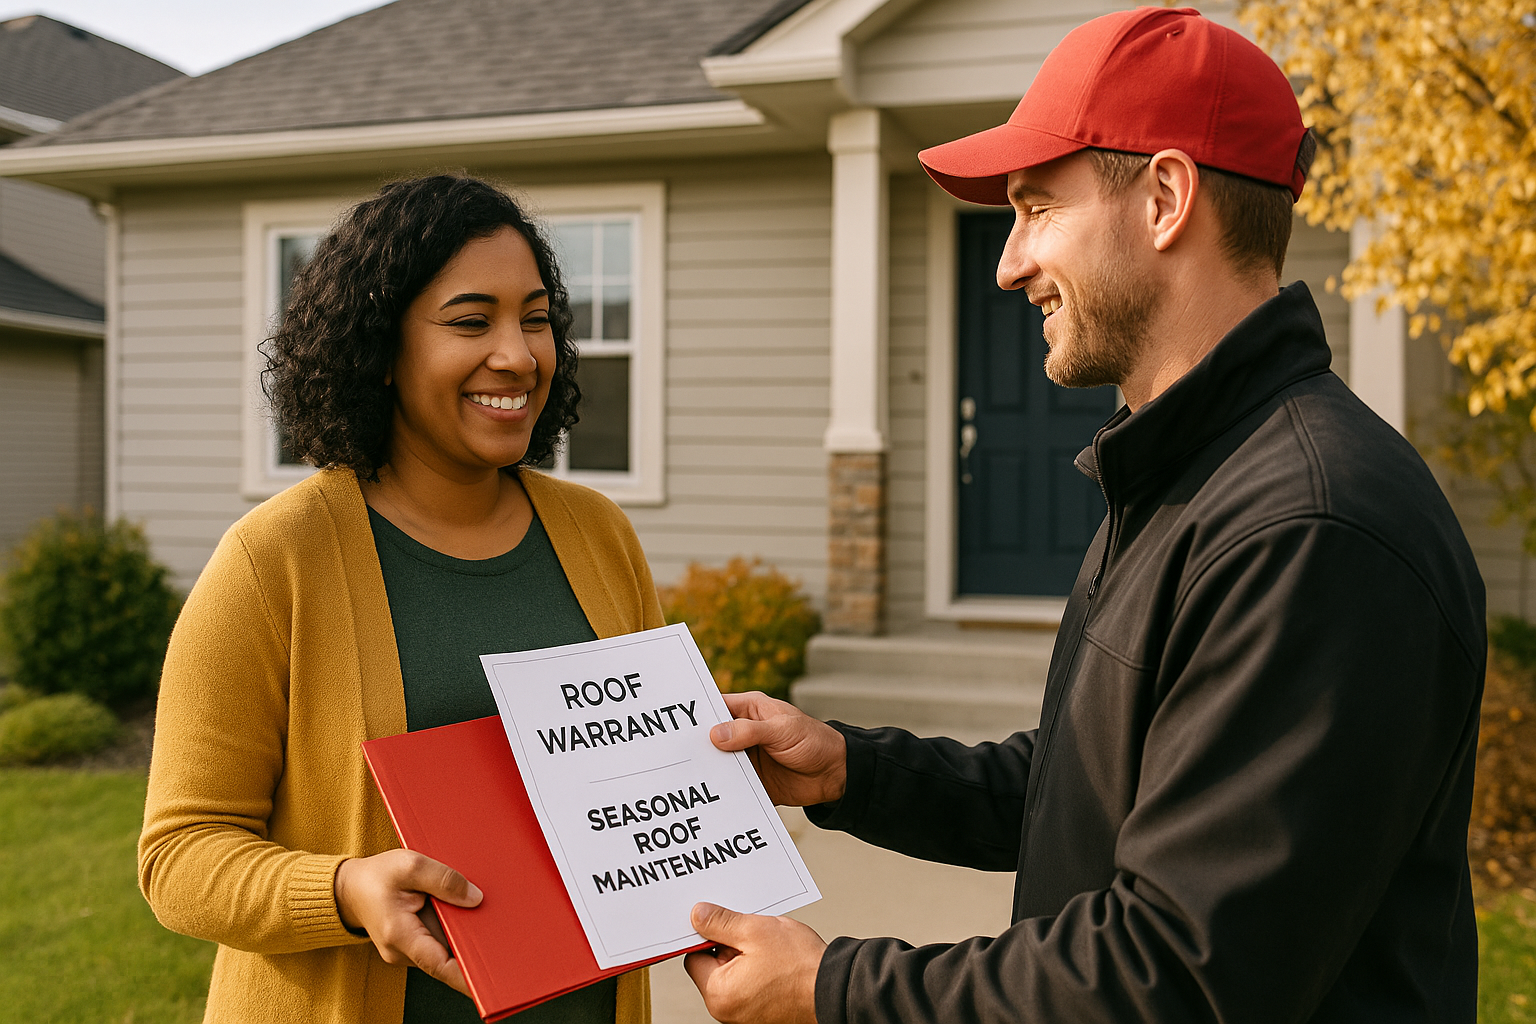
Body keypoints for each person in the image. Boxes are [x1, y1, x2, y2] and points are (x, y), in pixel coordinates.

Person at [683, 8, 1486, 1024]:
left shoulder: (1310, 530)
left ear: (1163, 197)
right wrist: (853, 771)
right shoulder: (1179, 473)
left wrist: (831, 985)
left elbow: (1179, 975)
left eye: (1035, 208)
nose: (1009, 263)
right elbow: (1092, 796)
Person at [139, 175, 655, 1024]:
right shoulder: (276, 562)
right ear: (379, 349)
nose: (519, 356)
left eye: (534, 317)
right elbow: (179, 857)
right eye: (469, 321)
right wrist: (343, 889)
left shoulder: (599, 536)